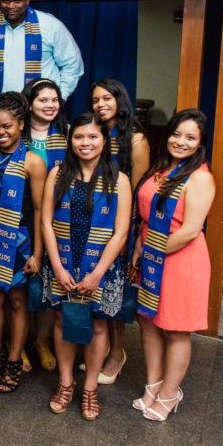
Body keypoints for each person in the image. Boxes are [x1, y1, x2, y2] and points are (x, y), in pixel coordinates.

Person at [43, 113, 131, 420]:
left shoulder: (118, 180)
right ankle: (66, 383)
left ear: (104, 141)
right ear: (70, 140)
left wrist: (97, 273)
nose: (85, 143)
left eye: (93, 137)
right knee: (62, 322)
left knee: (97, 325)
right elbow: (46, 222)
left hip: (101, 266)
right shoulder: (58, 174)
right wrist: (56, 266)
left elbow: (121, 232)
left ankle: (90, 388)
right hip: (63, 262)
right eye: (79, 137)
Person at [131, 109, 215, 422]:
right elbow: (148, 215)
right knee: (149, 321)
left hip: (181, 261)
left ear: (199, 144)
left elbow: (191, 230)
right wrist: (141, 246)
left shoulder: (200, 178)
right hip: (151, 254)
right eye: (176, 134)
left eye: (190, 137)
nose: (180, 141)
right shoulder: (160, 169)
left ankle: (170, 392)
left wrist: (153, 252)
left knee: (176, 329)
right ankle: (153, 384)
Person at [0, 92, 47, 394]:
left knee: (17, 301)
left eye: (8, 127)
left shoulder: (33, 162)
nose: (1, 133)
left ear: (20, 124)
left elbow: (42, 210)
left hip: (19, 242)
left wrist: (38, 254)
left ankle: (15, 360)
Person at [90, 77, 150, 384]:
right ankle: (101, 349)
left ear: (119, 100)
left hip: (123, 224)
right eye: (96, 100)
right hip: (95, 222)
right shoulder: (95, 133)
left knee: (117, 291)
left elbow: (140, 194)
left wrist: (129, 235)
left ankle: (117, 353)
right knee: (100, 289)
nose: (100, 105)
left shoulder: (136, 140)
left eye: (106, 99)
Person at [22, 78, 70, 373]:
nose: (50, 105)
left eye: (54, 100)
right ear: (29, 103)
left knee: (48, 286)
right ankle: (18, 343)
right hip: (21, 217)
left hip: (57, 219)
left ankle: (41, 342)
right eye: (43, 100)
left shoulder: (67, 136)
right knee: (20, 287)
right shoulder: (15, 133)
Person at [0, 0, 84, 106]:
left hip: (40, 109)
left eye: (17, 1)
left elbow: (73, 64)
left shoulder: (50, 25)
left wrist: (61, 96)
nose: (10, 6)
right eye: (5, 1)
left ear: (27, 1)